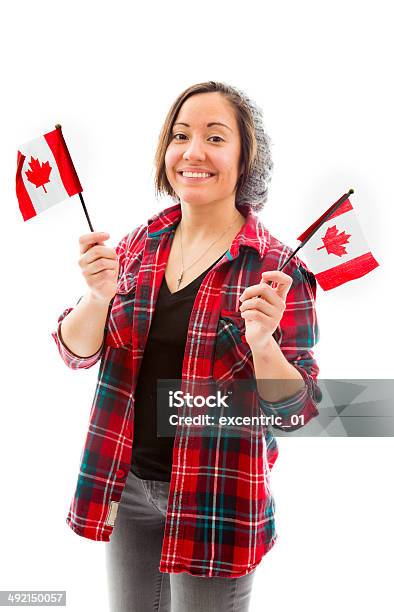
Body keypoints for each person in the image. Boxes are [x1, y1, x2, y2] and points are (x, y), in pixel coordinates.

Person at [51, 80, 322, 612]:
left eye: (216, 138)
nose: (193, 152)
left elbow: (300, 411)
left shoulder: (276, 270)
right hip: (126, 488)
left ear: (246, 160)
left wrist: (265, 346)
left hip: (215, 498)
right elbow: (73, 350)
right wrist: (97, 298)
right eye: (181, 135)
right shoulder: (137, 246)